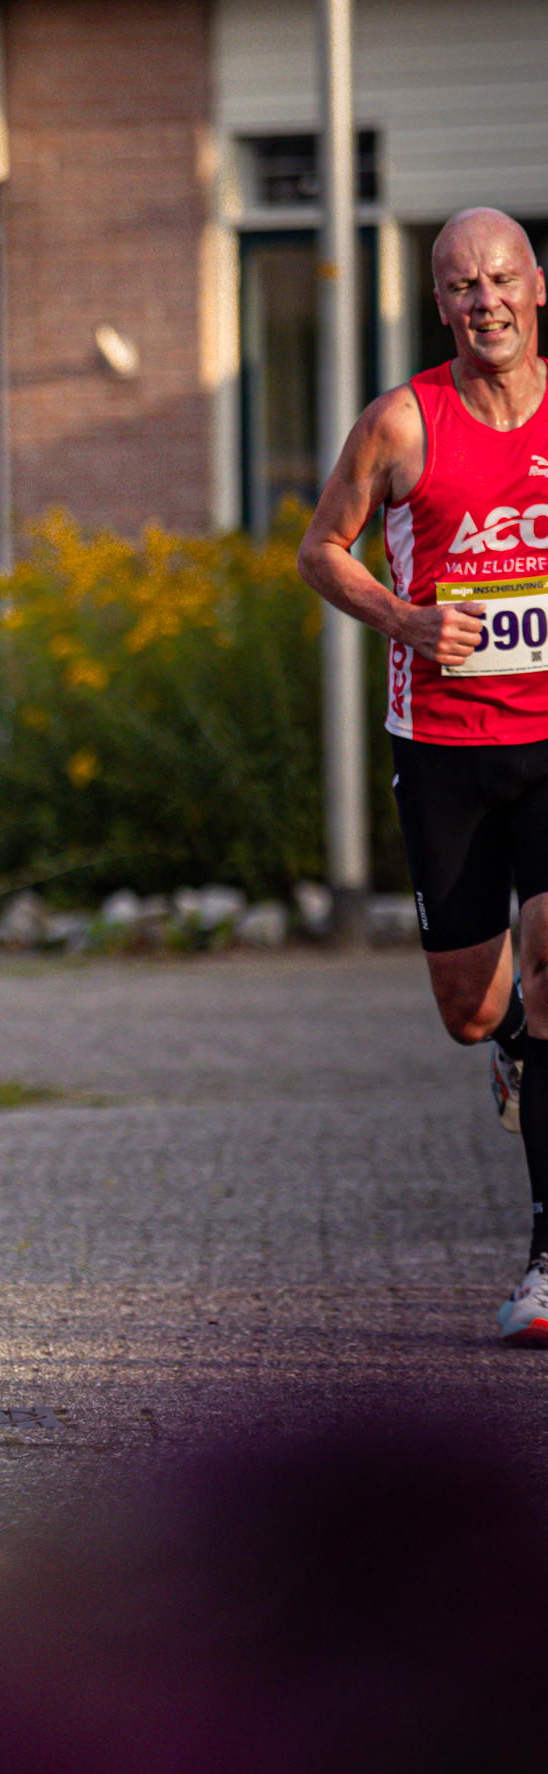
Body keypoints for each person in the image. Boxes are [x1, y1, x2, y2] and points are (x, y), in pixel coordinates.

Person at [299, 204, 548, 1341]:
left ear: (533, 287)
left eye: (498, 279)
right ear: (436, 301)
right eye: (459, 285)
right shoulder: (402, 423)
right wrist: (402, 618)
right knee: (472, 1006)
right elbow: (318, 550)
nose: (481, 301)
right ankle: (506, 1053)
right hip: (443, 751)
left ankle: (544, 1261)